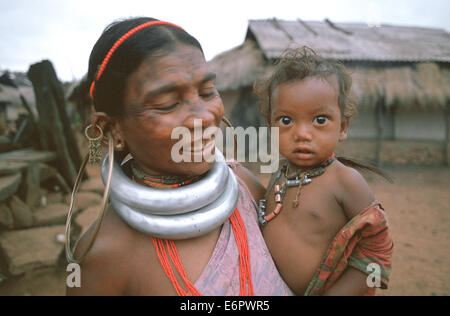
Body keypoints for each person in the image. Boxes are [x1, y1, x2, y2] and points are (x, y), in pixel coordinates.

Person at [66, 17, 293, 296]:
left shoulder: (244, 187)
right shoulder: (102, 257)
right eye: (167, 104)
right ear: (112, 130)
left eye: (207, 92)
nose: (204, 117)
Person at [254, 47, 393, 296]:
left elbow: (378, 253)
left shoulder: (345, 182)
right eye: (286, 120)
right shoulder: (279, 175)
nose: (302, 134)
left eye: (319, 120)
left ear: (343, 127)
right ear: (270, 126)